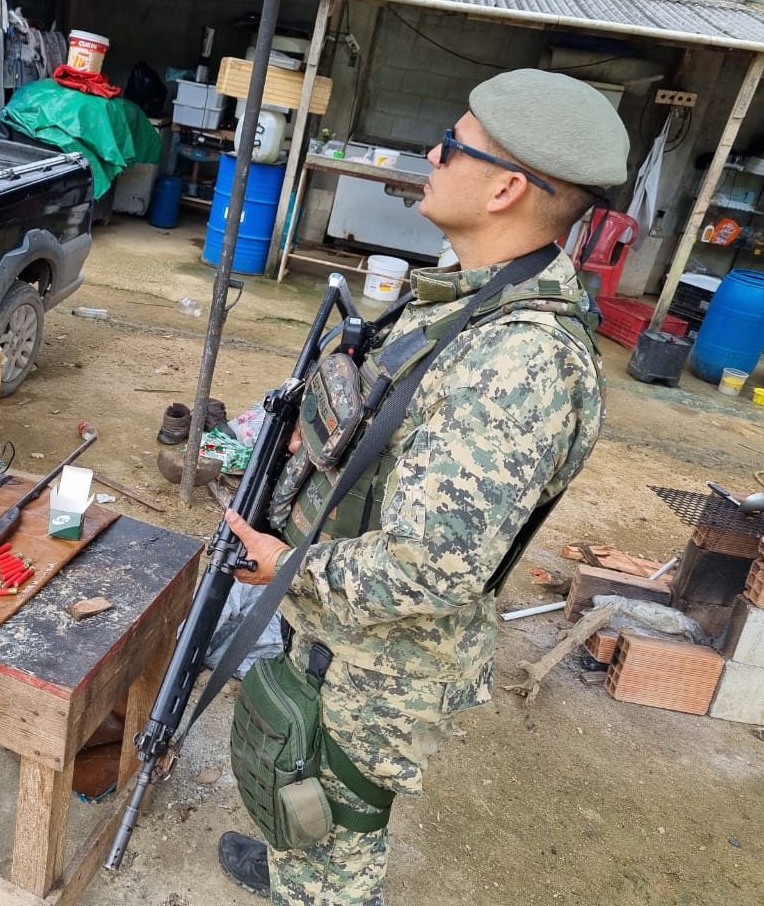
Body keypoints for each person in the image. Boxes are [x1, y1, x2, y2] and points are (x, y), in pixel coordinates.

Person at [218, 68, 630, 904]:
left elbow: (433, 568)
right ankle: (297, 864)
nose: (432, 157)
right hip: (342, 624)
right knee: (294, 777)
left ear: (508, 187)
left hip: (384, 655)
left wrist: (287, 567)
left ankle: (318, 883)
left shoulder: (517, 359)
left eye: (451, 145)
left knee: (334, 821)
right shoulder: (460, 299)